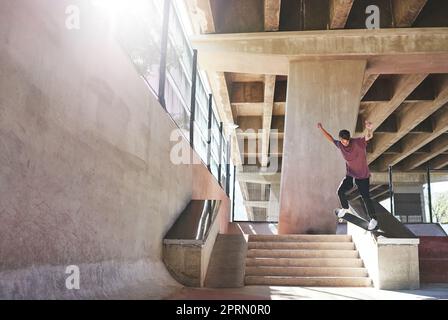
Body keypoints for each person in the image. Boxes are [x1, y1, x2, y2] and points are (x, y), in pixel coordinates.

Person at [317, 121, 378, 231]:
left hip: (362, 175)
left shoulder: (357, 142)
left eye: (347, 141)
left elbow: (369, 136)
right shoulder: (340, 144)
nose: (345, 143)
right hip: (350, 174)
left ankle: (373, 219)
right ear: (340, 140)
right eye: (343, 141)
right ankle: (345, 208)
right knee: (340, 191)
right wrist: (321, 129)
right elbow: (330, 138)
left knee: (366, 197)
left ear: (349, 139)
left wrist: (369, 129)